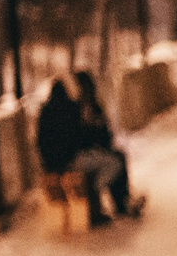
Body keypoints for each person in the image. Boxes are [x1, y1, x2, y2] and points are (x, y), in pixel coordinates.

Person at [33, 73, 136, 227]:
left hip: (52, 162)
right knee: (114, 162)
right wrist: (94, 127)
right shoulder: (70, 109)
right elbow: (80, 139)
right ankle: (95, 196)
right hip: (69, 160)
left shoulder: (46, 110)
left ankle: (117, 203)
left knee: (110, 158)